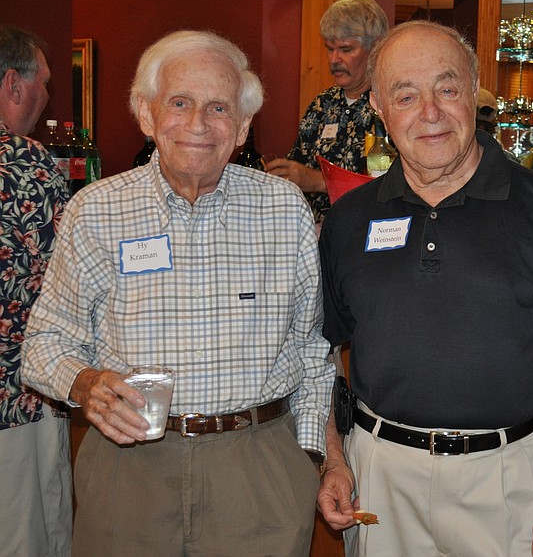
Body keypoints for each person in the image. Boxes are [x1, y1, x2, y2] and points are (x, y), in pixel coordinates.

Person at [21, 30, 335, 556]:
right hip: (129, 467)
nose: (197, 125)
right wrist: (86, 382)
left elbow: (313, 352)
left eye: (218, 107)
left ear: (243, 126)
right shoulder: (96, 211)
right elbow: (43, 343)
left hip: (257, 470)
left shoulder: (284, 209)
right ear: (145, 114)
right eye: (180, 103)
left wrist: (305, 456)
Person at [317, 20, 533, 557]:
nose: (430, 113)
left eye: (447, 90)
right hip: (381, 479)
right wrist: (336, 459)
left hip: (510, 482)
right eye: (406, 95)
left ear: (473, 94)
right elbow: (330, 354)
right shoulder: (349, 220)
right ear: (379, 108)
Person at [0, 24, 72, 557]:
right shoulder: (28, 165)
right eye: (44, 83)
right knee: (28, 533)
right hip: (19, 399)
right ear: (13, 85)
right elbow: (67, 278)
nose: (47, 96)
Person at [266, 0, 389, 225]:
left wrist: (318, 181)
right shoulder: (322, 105)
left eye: (345, 49)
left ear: (375, 49)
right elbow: (298, 167)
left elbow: (389, 184)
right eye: (329, 48)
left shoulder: (390, 106)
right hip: (315, 237)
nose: (334, 59)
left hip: (369, 234)